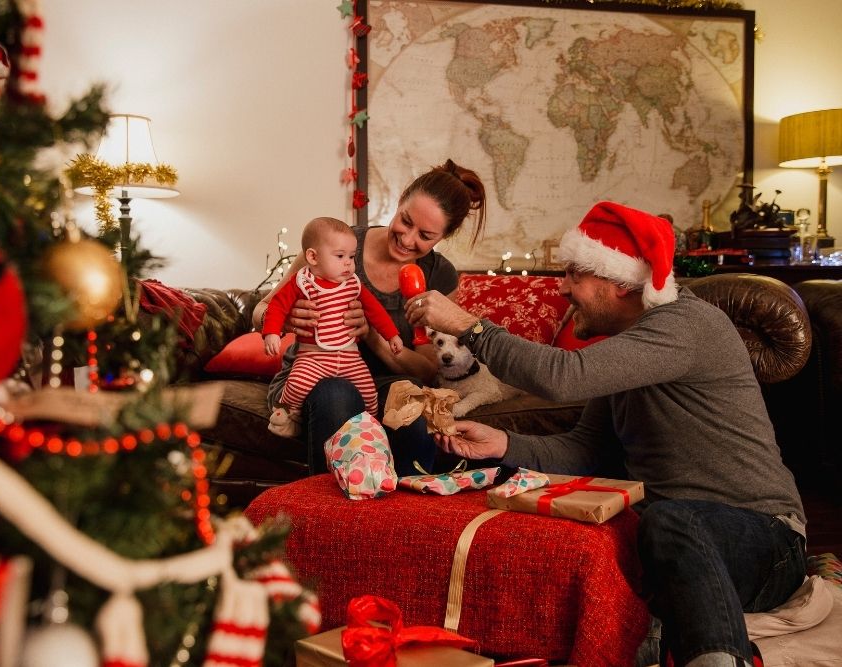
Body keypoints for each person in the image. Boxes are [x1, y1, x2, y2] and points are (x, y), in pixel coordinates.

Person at [406, 201, 806, 667]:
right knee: (603, 530)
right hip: (675, 541)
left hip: (766, 539)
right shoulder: (629, 349)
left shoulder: (686, 325)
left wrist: (469, 327)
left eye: (574, 273)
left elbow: (563, 376)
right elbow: (583, 449)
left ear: (618, 281)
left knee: (670, 519)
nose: (562, 287)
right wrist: (504, 444)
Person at [251, 159, 486, 476]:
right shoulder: (338, 245)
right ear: (400, 199)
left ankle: (404, 514)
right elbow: (260, 312)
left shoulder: (439, 276)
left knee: (411, 404)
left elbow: (429, 370)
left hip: (380, 385)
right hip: (312, 379)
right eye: (405, 221)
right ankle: (328, 517)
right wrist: (289, 319)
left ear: (442, 237)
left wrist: (373, 336)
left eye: (425, 235)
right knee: (337, 394)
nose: (407, 239)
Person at [262, 217, 403, 437]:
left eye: (351, 257)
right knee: (297, 384)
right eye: (340, 256)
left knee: (369, 392)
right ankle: (287, 417)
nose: (348, 263)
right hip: (313, 359)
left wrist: (391, 335)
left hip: (350, 359)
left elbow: (375, 311)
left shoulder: (354, 285)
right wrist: (272, 332)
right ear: (313, 257)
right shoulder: (302, 282)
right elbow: (276, 306)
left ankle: (373, 428)